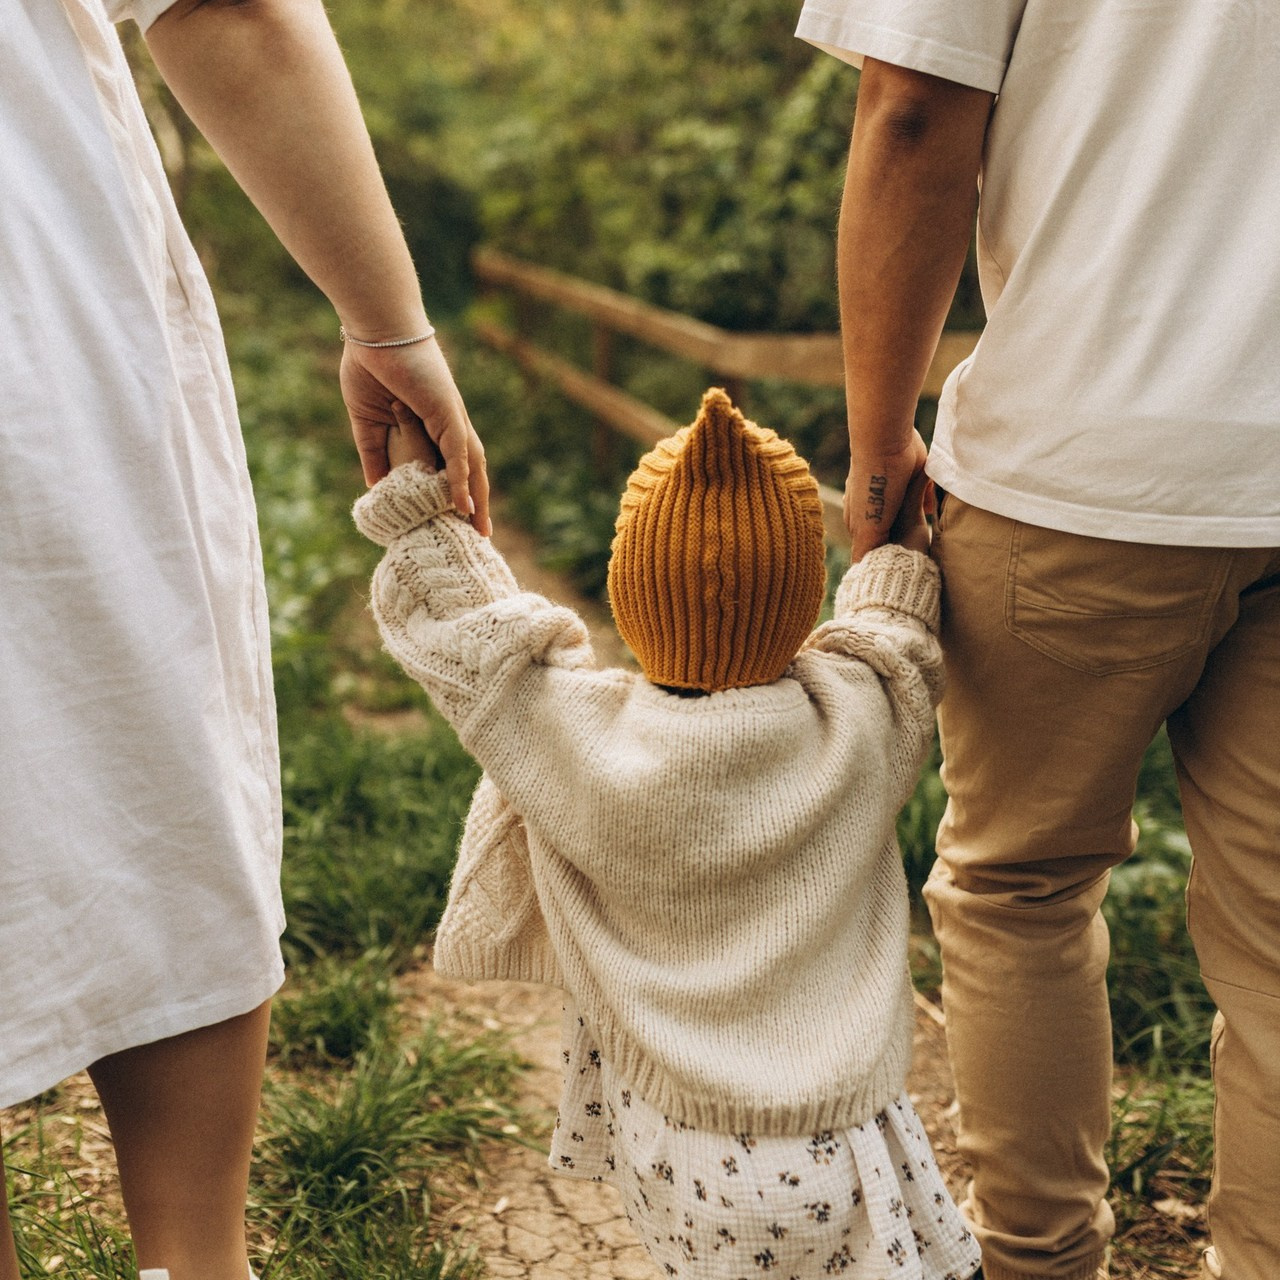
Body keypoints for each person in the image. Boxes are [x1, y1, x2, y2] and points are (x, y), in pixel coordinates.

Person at [0, 0, 487, 1276]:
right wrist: (388, 320)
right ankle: (193, 1257)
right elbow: (228, 7)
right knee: (141, 745)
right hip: (33, 322)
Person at [794, 3, 1280, 1279]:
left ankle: (1039, 1260)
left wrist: (878, 430)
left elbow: (909, 112)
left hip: (1078, 457)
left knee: (1018, 887)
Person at [354, 387, 981, 1280]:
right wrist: (895, 534)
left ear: (629, 593)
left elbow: (476, 634)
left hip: (676, 1148)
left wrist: (421, 485)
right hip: (842, 1147)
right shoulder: (859, 719)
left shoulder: (573, 736)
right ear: (804, 600)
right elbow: (898, 637)